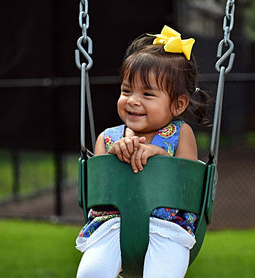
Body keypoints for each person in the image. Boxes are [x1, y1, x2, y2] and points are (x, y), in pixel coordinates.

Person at [75, 25, 210, 278]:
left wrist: (159, 154)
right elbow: (101, 190)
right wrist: (115, 155)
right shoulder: (108, 138)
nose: (133, 100)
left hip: (167, 229)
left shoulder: (181, 135)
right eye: (127, 90)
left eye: (148, 93)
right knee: (90, 274)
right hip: (111, 227)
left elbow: (185, 185)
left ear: (178, 104)